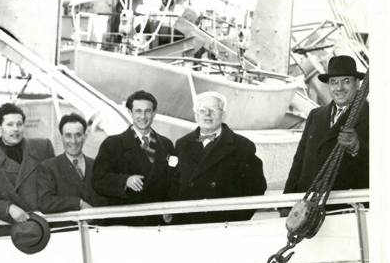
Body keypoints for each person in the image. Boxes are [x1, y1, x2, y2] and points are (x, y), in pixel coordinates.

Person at [172, 92, 267, 224]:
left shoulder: (242, 146)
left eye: (214, 110)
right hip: (187, 223)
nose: (207, 114)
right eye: (202, 110)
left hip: (223, 224)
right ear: (196, 115)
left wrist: (236, 220)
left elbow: (256, 187)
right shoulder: (182, 144)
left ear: (223, 115)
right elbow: (173, 182)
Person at [284, 55, 369, 195]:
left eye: (346, 81)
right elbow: (299, 162)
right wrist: (286, 205)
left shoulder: (374, 117)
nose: (339, 88)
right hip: (309, 205)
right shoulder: (315, 115)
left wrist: (357, 148)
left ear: (357, 84)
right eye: (334, 82)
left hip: (344, 208)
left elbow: (382, 167)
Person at [92, 90, 177, 227]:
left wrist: (170, 207)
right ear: (130, 113)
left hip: (157, 224)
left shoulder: (166, 145)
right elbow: (98, 180)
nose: (143, 116)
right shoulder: (112, 144)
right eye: (138, 111)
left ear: (154, 113)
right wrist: (125, 181)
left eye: (148, 111)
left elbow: (174, 181)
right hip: (124, 224)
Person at [0, 103, 56, 232]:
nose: (15, 129)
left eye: (19, 124)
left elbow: (56, 186)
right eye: (10, 124)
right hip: (12, 231)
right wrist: (9, 208)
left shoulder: (43, 147)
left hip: (46, 226)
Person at [38, 113, 107, 215]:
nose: (73, 141)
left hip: (99, 229)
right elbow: (45, 202)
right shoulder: (48, 167)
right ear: (61, 138)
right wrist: (78, 203)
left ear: (85, 137)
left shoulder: (97, 165)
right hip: (68, 229)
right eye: (68, 136)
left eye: (78, 135)